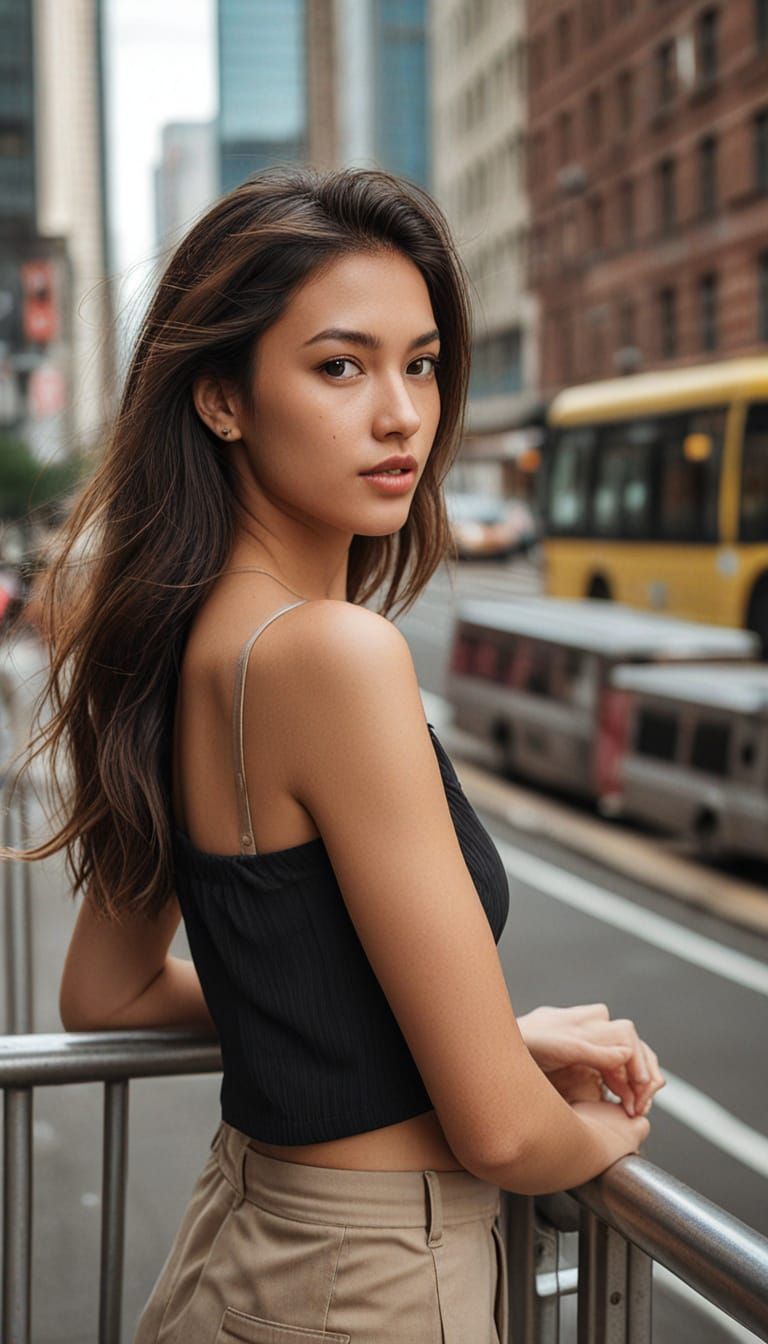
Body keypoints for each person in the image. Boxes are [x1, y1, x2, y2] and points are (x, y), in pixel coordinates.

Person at [7, 165, 664, 1343]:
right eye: (340, 366)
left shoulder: (181, 636)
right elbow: (507, 1136)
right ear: (222, 398)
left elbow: (106, 989)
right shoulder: (335, 656)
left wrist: (471, 1036)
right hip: (373, 1282)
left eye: (419, 362)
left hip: (250, 1243)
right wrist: (603, 1141)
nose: (404, 412)